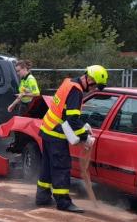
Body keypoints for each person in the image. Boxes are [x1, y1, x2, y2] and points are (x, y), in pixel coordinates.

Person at [36, 65, 109, 213]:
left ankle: (42, 197)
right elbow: (72, 120)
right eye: (95, 86)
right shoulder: (76, 91)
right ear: (89, 79)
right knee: (61, 168)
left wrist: (83, 126)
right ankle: (63, 202)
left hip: (47, 130)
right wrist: (85, 136)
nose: (94, 90)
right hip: (56, 135)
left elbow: (65, 113)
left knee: (47, 167)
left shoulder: (68, 82)